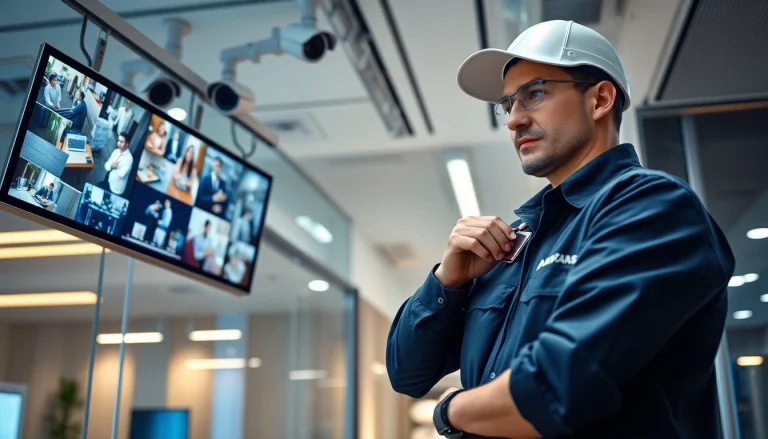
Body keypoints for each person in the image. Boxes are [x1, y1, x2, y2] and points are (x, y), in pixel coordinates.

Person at [385, 20, 735, 439]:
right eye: (507, 104)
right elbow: (406, 373)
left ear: (600, 99)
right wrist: (449, 280)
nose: (514, 120)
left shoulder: (653, 208)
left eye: (534, 94)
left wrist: (449, 411)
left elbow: (554, 388)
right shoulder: (517, 239)